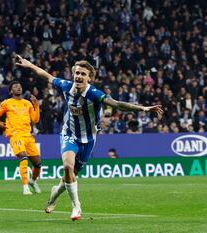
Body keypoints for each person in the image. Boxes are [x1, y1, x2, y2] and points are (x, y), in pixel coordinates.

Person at [15, 55, 163, 220]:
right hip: (69, 134)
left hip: (88, 139)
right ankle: (76, 205)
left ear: (89, 78)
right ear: (73, 74)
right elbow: (47, 76)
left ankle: (55, 194)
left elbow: (118, 104)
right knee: (67, 167)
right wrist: (29, 65)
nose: (79, 76)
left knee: (70, 177)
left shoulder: (94, 94)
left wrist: (144, 109)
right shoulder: (66, 86)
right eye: (77, 73)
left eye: (83, 74)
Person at [0, 81, 42, 195]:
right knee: (23, 157)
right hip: (15, 135)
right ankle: (25, 187)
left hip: (28, 136)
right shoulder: (7, 103)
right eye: (15, 87)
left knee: (37, 164)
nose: (18, 88)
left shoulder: (27, 103)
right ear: (11, 91)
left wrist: (36, 105)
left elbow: (35, 119)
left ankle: (33, 181)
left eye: (19, 86)